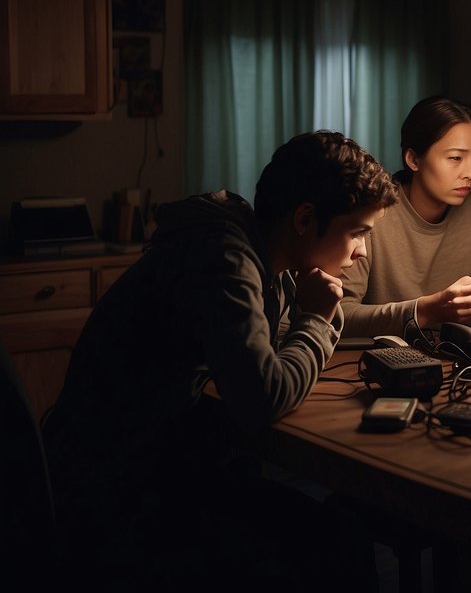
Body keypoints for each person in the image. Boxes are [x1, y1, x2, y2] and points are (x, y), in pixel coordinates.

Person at [41, 131, 399, 589]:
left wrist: (307, 319)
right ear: (306, 218)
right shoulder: (225, 258)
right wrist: (318, 320)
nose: (363, 251)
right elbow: (262, 397)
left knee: (329, 525)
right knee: (340, 540)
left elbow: (270, 351)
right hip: (118, 495)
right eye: (358, 232)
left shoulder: (267, 260)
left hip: (157, 468)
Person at [341, 96, 471, 334]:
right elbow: (339, 312)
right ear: (413, 159)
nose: (469, 172)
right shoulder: (372, 211)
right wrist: (424, 311)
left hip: (456, 354)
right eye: (455, 158)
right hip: (379, 358)